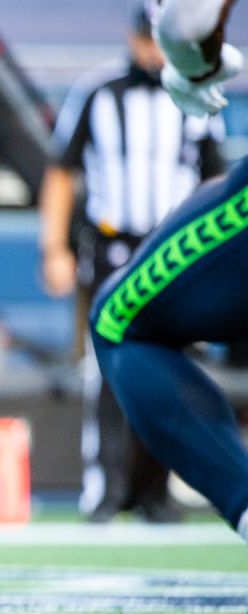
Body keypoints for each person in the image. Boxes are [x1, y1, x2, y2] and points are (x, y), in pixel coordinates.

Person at [90, 0, 248, 614]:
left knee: (121, 322)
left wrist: (194, 63)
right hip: (115, 224)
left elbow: (186, 21)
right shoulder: (98, 95)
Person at [39, 0, 225, 524]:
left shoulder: (194, 96)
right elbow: (61, 172)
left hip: (173, 251)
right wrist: (54, 247)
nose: (150, 50)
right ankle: (104, 489)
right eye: (145, 39)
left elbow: (216, 180)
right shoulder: (98, 91)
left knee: (173, 368)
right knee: (107, 367)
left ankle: (155, 491)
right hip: (114, 248)